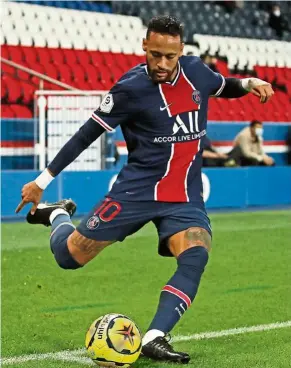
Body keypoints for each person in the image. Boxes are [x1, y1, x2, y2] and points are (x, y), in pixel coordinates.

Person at [16, 16, 274, 364]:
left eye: (170, 56)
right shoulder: (130, 88)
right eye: (155, 55)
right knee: (69, 257)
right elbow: (85, 135)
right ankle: (56, 213)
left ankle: (154, 337)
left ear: (181, 52)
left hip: (184, 196)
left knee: (197, 252)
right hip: (137, 192)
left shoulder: (196, 72)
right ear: (144, 47)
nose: (162, 64)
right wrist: (41, 182)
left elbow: (221, 85)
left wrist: (247, 81)